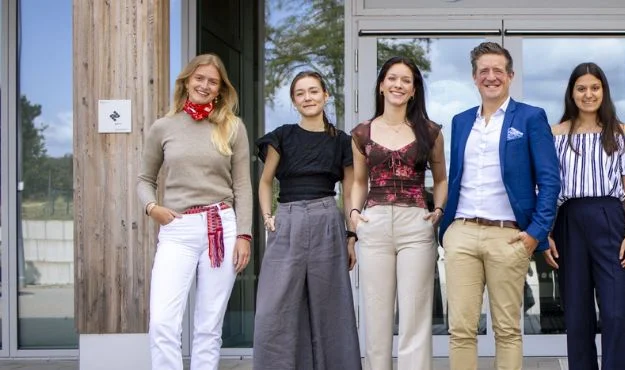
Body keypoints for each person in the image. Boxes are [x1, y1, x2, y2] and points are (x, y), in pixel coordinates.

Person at [438, 41, 560, 370]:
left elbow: (550, 181)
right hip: (462, 232)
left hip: (508, 237)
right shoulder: (461, 120)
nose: (490, 76)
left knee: (507, 330)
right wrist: (447, 230)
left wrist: (535, 233)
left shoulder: (531, 117)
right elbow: (456, 175)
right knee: (461, 330)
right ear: (474, 77)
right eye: (483, 71)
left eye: (497, 70)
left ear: (510, 76)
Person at [137, 53, 253, 370]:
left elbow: (243, 186)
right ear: (187, 81)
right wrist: (152, 208)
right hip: (177, 229)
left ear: (220, 89)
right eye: (199, 78)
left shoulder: (233, 127)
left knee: (208, 325)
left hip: (221, 228)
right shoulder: (163, 127)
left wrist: (244, 235)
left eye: (212, 81)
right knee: (162, 322)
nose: (204, 85)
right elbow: (144, 179)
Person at [252, 71, 361, 369]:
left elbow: (349, 191)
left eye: (313, 91)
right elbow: (265, 182)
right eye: (300, 93)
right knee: (274, 307)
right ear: (293, 101)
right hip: (287, 218)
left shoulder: (342, 141)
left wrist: (351, 235)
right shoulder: (282, 136)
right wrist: (267, 216)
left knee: (331, 305)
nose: (307, 97)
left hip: (327, 219)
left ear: (326, 95)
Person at [543, 62, 625, 370]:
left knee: (614, 313)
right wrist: (546, 232)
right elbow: (547, 187)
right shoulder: (555, 134)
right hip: (568, 221)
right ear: (571, 93)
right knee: (577, 314)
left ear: (604, 91)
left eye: (595, 88)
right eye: (581, 88)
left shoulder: (622, 133)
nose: (588, 94)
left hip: (610, 219)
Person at [349, 56, 447, 370]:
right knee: (376, 314)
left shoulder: (430, 132)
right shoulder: (362, 133)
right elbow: (359, 181)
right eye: (392, 78)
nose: (398, 85)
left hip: (415, 223)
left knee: (415, 314)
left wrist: (438, 209)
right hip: (374, 222)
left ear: (414, 90)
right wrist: (354, 213)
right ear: (381, 85)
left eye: (406, 80)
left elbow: (441, 179)